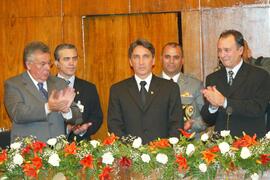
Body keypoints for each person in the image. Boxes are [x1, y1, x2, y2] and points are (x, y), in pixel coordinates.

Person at [107, 39, 183, 144]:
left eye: (146, 57)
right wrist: (131, 149)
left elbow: (176, 125)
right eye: (136, 57)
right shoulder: (118, 90)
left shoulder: (170, 88)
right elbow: (114, 126)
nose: (141, 62)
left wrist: (165, 149)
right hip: (130, 155)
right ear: (130, 61)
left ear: (153, 60)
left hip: (162, 154)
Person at [4, 41, 82, 142]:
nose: (47, 68)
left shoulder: (59, 83)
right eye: (42, 64)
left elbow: (78, 117)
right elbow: (18, 114)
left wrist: (67, 111)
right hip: (28, 151)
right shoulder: (14, 84)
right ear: (28, 65)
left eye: (49, 63)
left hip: (58, 151)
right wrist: (48, 107)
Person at [201, 30, 270, 138]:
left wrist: (224, 102)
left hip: (250, 144)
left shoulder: (260, 75)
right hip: (221, 146)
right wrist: (212, 107)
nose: (222, 55)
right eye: (219, 50)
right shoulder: (212, 78)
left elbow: (258, 108)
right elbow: (208, 120)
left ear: (240, 50)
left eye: (227, 50)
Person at [54, 43, 103, 142]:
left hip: (81, 146)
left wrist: (83, 130)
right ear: (56, 63)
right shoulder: (47, 88)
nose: (72, 63)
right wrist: (66, 129)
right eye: (66, 59)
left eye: (74, 58)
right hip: (53, 148)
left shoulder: (89, 88)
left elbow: (97, 117)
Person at [160, 42, 206, 135]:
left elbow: (207, 117)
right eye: (167, 57)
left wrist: (192, 124)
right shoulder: (151, 85)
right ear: (161, 59)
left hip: (189, 144)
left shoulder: (195, 85)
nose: (171, 61)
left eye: (176, 57)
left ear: (182, 60)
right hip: (159, 144)